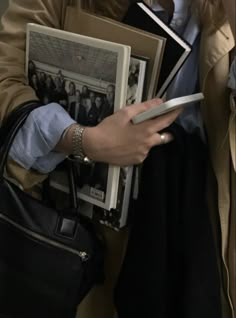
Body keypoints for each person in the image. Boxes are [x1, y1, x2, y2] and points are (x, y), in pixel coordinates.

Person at [0, 1, 180, 318]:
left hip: (179, 227)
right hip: (72, 231)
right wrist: (84, 140)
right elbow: (5, 79)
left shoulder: (215, 13)